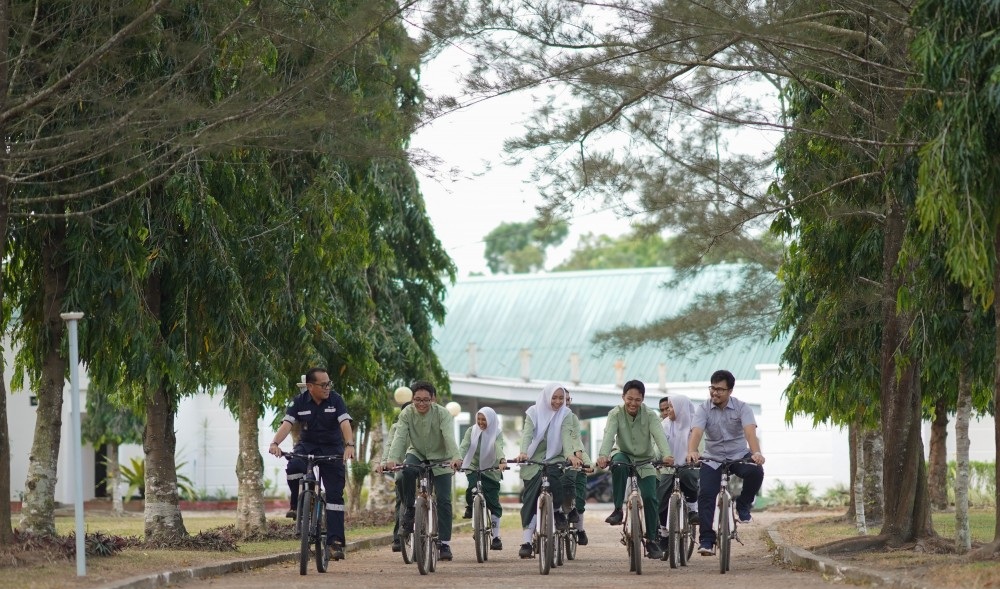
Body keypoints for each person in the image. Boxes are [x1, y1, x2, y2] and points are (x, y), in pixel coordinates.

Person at [268, 367, 355, 561]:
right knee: (293, 467)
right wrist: (275, 443)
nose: (327, 388)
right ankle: (297, 504)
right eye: (323, 385)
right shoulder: (299, 401)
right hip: (307, 446)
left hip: (333, 448)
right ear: (310, 386)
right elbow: (287, 424)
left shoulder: (336, 399)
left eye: (329, 384)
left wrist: (349, 445)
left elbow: (345, 423)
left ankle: (335, 542)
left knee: (334, 496)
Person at [686, 369, 765, 556]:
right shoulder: (703, 408)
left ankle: (743, 504)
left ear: (730, 391)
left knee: (756, 471)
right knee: (705, 494)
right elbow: (696, 432)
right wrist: (692, 451)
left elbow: (749, 433)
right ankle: (706, 539)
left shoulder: (742, 408)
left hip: (738, 454)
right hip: (712, 458)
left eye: (720, 389)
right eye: (712, 388)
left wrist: (756, 453)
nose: (715, 393)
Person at [382, 381, 462, 561]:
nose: (421, 404)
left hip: (441, 457)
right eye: (417, 399)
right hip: (416, 453)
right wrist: (391, 459)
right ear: (412, 399)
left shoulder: (442, 414)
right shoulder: (406, 413)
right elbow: (400, 437)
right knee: (404, 473)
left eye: (426, 400)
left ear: (433, 399)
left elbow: (449, 437)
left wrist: (456, 458)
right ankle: (410, 509)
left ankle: (444, 544)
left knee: (444, 500)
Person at [596, 379, 673, 560]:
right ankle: (617, 510)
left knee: (650, 496)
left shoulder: (651, 415)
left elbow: (659, 436)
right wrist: (603, 455)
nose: (633, 403)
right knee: (619, 465)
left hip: (645, 460)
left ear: (643, 399)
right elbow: (609, 435)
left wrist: (666, 455)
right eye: (629, 399)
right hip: (622, 453)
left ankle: (652, 540)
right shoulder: (615, 413)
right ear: (623, 397)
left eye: (637, 400)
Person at [515, 382, 583, 559]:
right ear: (547, 397)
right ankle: (527, 541)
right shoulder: (533, 412)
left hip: (555, 459)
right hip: (533, 460)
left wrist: (570, 456)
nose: (558, 401)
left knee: (555, 480)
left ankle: (559, 511)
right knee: (529, 499)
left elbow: (567, 436)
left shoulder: (566, 414)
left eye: (561, 398)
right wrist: (523, 452)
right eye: (554, 397)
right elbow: (527, 434)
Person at [458, 407, 507, 551]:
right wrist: (459, 459)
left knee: (493, 503)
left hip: (491, 469)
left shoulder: (497, 432)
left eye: (484, 419)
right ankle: (471, 508)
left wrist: (502, 460)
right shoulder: (471, 431)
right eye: (478, 419)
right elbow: (464, 446)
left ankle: (496, 537)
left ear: (490, 420)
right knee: (471, 488)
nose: (480, 422)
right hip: (473, 467)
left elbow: (498, 446)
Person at [656, 394, 700, 550]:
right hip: (669, 467)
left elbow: (702, 445)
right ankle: (663, 531)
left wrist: (697, 456)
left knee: (689, 476)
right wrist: (658, 458)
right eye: (667, 407)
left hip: (689, 465)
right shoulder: (665, 424)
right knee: (661, 496)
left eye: (671, 407)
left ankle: (693, 508)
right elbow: (659, 444)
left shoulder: (696, 425)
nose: (668, 410)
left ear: (681, 408)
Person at [382, 401, 411, 553]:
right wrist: (384, 462)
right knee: (402, 501)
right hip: (401, 466)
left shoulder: (423, 427)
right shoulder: (396, 428)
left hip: (420, 467)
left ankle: (433, 535)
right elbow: (389, 446)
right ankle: (397, 538)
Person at [563, 390, 592, 546]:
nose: (565, 402)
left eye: (568, 399)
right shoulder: (547, 418)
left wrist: (586, 462)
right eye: (562, 399)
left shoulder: (573, 418)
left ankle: (579, 529)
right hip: (557, 461)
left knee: (579, 495)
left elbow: (577, 442)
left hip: (575, 459)